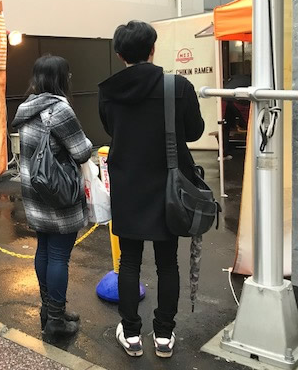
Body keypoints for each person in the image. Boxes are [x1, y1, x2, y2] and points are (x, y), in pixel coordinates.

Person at [99, 20, 204, 358]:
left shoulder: (108, 90)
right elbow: (195, 132)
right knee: (167, 262)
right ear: (153, 49)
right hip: (168, 186)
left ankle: (131, 335)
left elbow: (111, 128)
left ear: (119, 54)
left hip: (127, 183)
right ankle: (163, 336)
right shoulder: (177, 87)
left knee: (128, 261)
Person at [11, 55, 93, 342]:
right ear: (61, 78)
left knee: (44, 250)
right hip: (58, 193)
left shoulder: (26, 109)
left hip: (35, 191)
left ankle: (50, 310)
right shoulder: (60, 110)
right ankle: (56, 319)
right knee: (58, 255)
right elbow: (81, 151)